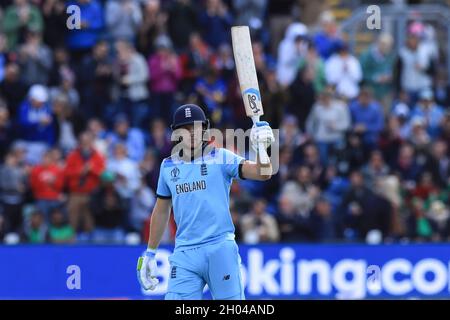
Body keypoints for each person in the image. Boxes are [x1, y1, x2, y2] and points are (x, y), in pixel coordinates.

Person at [137, 104, 274, 300]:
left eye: (196, 127)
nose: (192, 133)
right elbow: (161, 211)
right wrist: (150, 252)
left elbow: (264, 173)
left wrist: (262, 149)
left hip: (220, 247)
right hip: (185, 253)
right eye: (185, 128)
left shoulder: (220, 157)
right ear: (176, 133)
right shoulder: (167, 166)